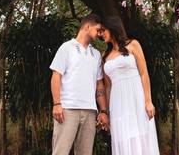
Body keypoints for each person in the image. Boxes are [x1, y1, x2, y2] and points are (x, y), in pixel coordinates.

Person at [49, 14, 110, 155]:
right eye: (98, 30)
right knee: (60, 152)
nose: (100, 34)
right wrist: (57, 104)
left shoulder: (96, 54)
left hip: (90, 111)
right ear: (87, 27)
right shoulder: (66, 48)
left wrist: (104, 111)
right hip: (67, 109)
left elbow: (99, 85)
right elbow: (56, 76)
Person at [100, 15, 159, 155]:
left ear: (112, 27)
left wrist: (148, 101)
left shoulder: (133, 44)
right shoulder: (105, 56)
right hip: (117, 103)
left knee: (140, 135)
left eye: (103, 30)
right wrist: (107, 112)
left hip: (136, 98)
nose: (101, 34)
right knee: (123, 137)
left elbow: (144, 73)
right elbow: (108, 86)